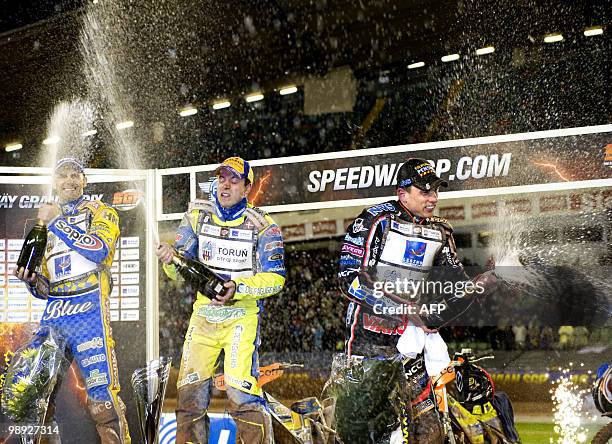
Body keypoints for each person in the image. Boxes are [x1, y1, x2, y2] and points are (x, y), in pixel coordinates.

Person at [337, 157, 496, 443]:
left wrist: (481, 283)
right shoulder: (374, 220)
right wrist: (403, 309)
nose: (433, 197)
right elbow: (349, 279)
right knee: (368, 431)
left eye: (436, 190)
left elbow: (456, 285)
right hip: (369, 341)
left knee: (430, 429)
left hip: (411, 346)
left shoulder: (441, 229)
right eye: (425, 191)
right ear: (403, 194)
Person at [156, 156, 285, 444]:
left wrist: (237, 288)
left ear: (247, 188)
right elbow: (177, 271)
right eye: (221, 178)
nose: (225, 185)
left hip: (242, 315)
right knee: (189, 392)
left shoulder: (264, 225)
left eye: (233, 180)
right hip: (204, 315)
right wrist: (168, 259)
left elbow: (276, 279)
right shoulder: (196, 217)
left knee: (241, 391)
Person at [14, 157, 130, 443]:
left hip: (89, 312)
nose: (69, 180)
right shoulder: (43, 224)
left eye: (75, 175)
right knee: (35, 398)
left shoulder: (101, 211)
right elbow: (44, 287)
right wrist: (32, 281)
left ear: (84, 181)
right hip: (55, 314)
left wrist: (58, 222)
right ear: (55, 182)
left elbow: (100, 249)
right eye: (62, 175)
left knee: (102, 400)